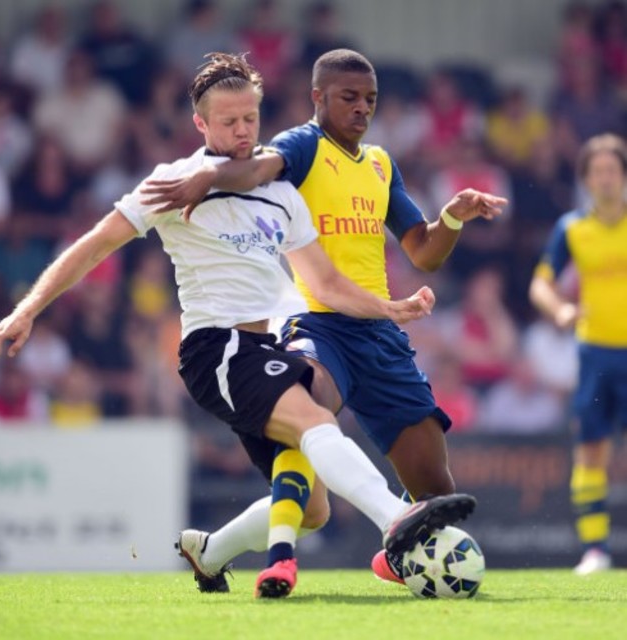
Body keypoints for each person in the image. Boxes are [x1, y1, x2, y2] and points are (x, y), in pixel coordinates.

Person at [0, 53, 476, 598]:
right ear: (200, 124)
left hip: (263, 351)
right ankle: (393, 521)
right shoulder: (173, 183)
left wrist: (390, 308)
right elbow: (94, 244)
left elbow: (328, 284)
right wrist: (27, 309)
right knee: (316, 419)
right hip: (215, 350)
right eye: (228, 122)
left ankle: (209, 550)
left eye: (250, 119)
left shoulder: (282, 193)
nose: (242, 132)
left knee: (311, 509)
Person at [140, 49, 505, 587]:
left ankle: (235, 550)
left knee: (436, 495)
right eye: (348, 98)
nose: (361, 109)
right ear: (318, 97)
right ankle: (286, 557)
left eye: (370, 100)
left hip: (379, 333)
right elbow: (255, 168)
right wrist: (207, 176)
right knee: (307, 417)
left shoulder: (380, 164)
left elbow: (424, 251)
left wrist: (452, 215)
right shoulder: (302, 144)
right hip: (314, 323)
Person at [530, 133, 627, 576]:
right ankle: (595, 550)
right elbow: (541, 283)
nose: (606, 180)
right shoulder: (572, 228)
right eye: (598, 172)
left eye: (613, 170)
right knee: (591, 450)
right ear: (586, 179)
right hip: (595, 356)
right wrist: (562, 309)